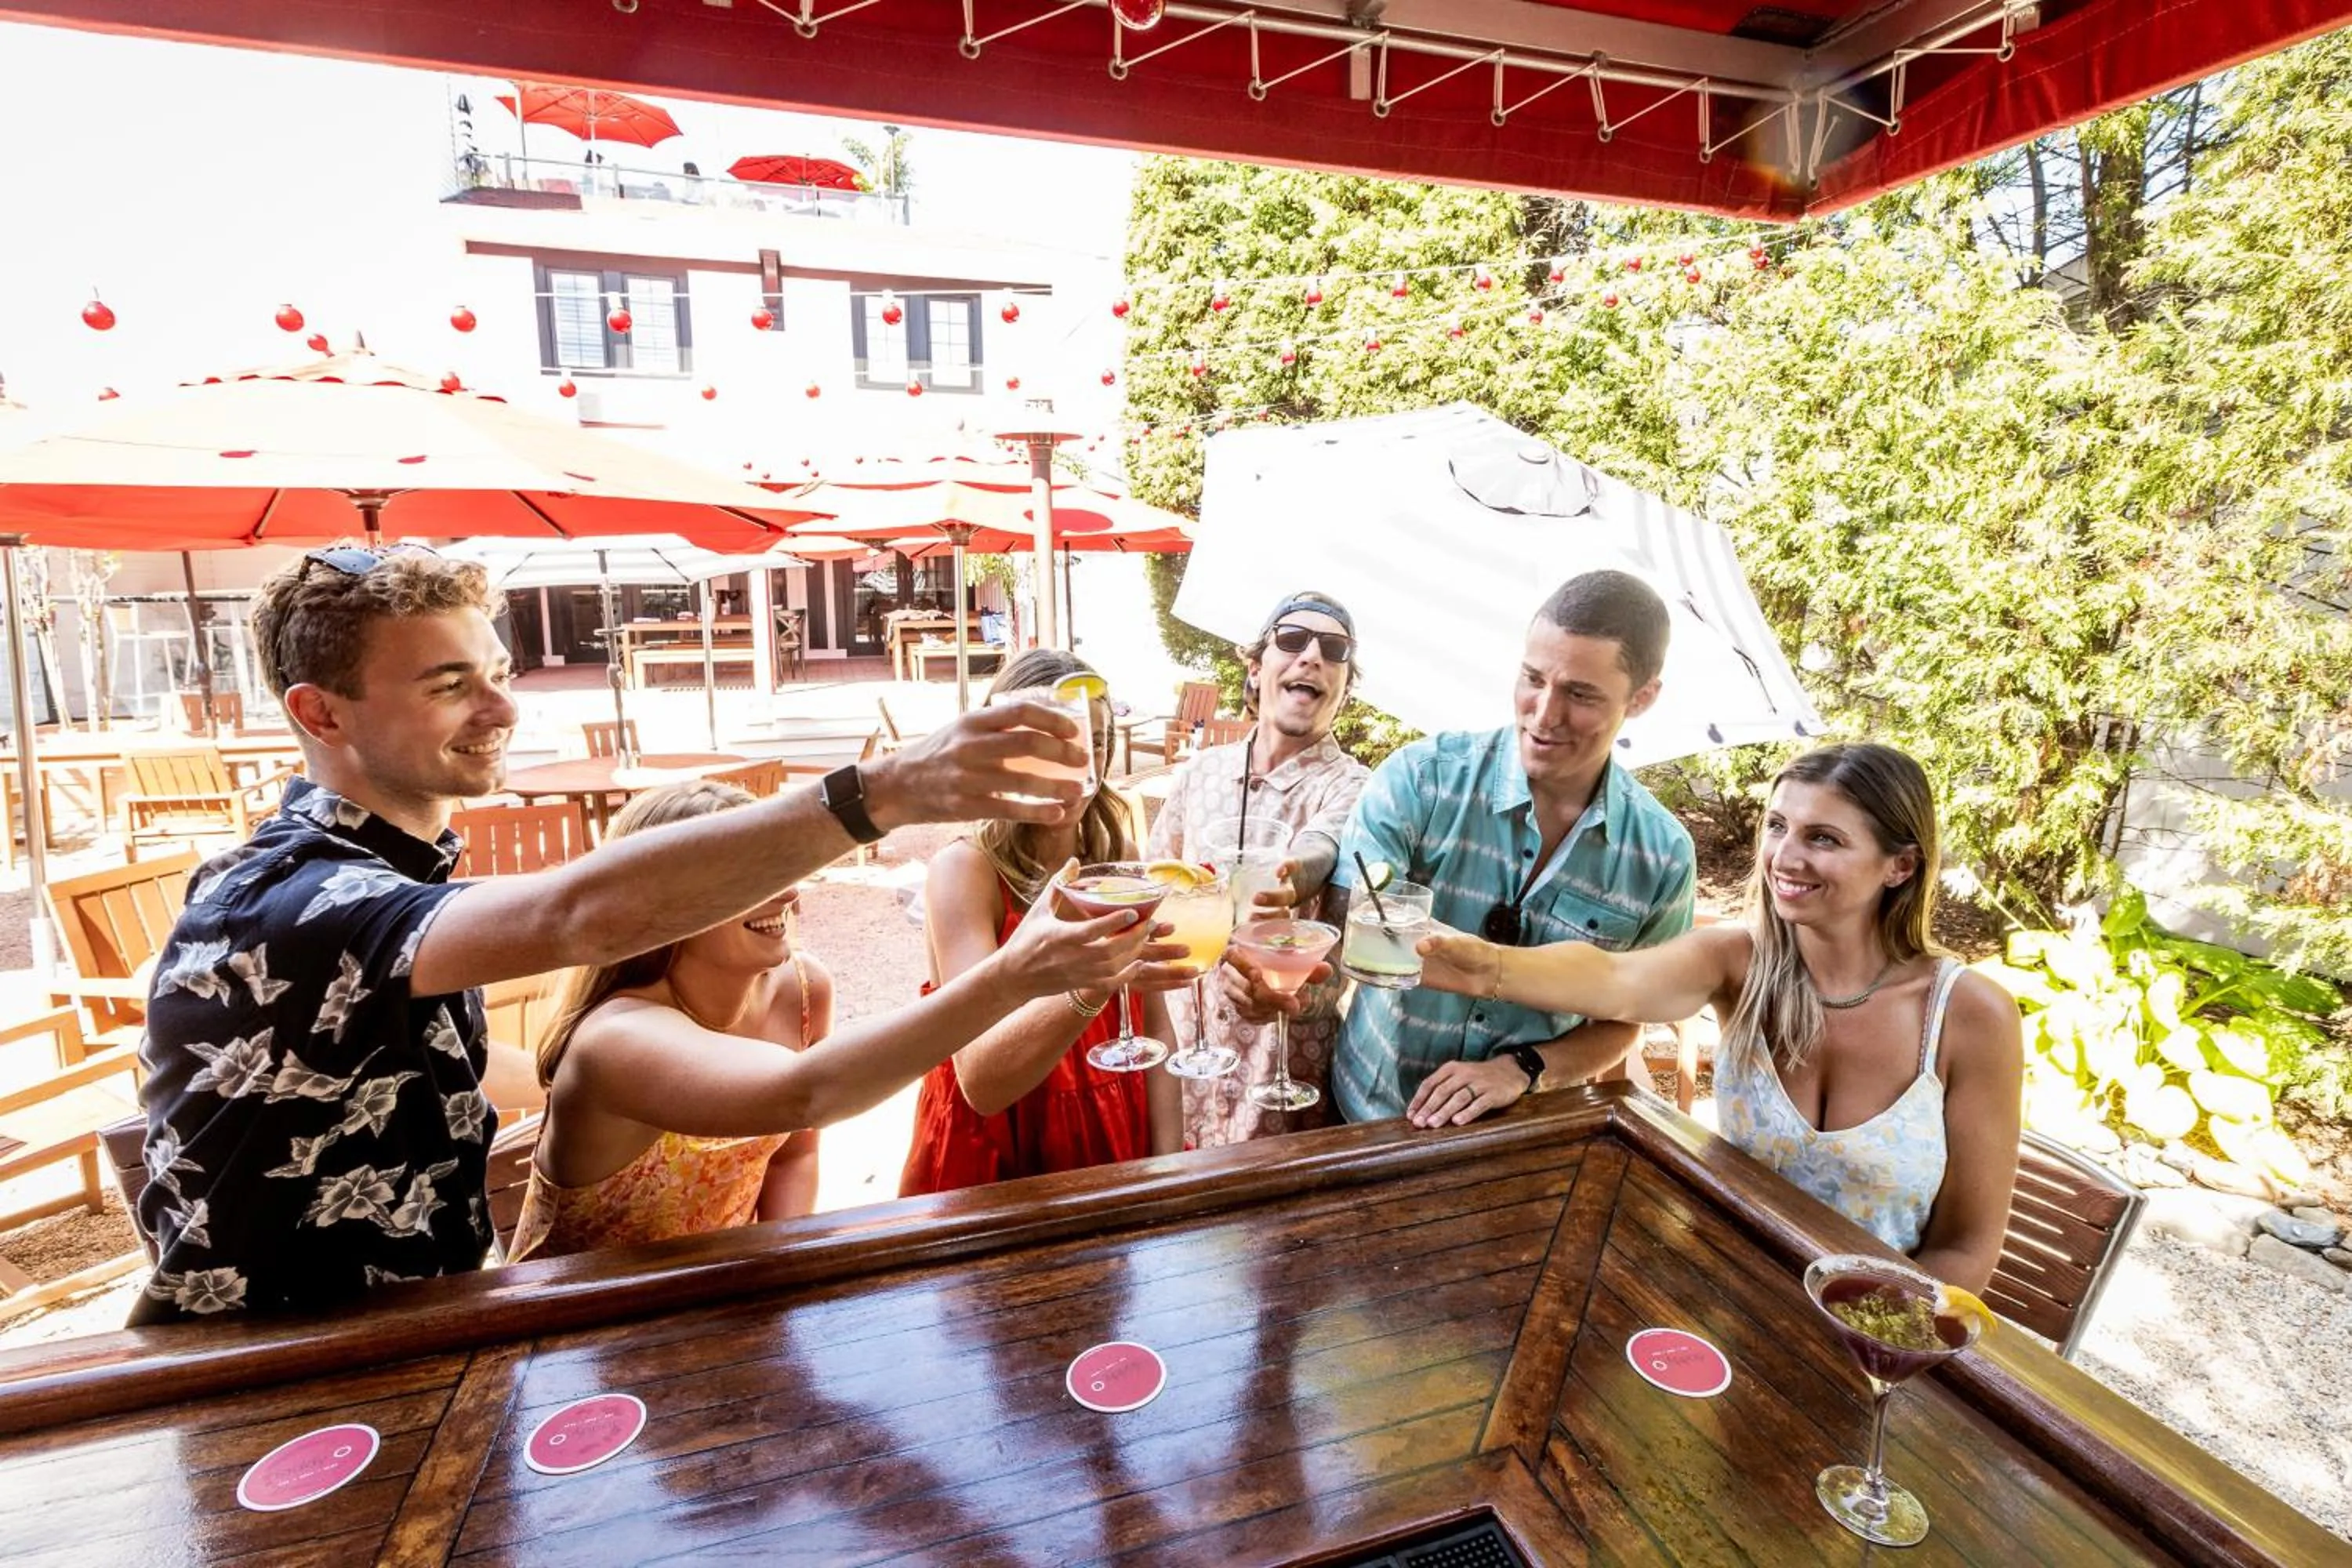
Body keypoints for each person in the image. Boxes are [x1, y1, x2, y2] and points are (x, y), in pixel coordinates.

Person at [132, 541, 1095, 1324]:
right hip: (257, 1363)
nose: (505, 709)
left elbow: (407, 1069)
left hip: (420, 1329)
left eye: (500, 673)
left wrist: (567, 1083)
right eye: (450, 683)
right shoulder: (291, 893)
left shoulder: (392, 878)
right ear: (318, 711)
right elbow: (577, 914)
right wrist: (889, 791)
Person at [1415, 744, 2024, 1291]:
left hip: (1872, 1339)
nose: (1784, 857)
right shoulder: (1738, 963)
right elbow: (1613, 980)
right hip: (1722, 1295)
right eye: (1778, 827)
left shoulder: (1969, 1015)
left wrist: (1870, 1342)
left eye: (1824, 839)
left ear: (1901, 866)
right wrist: (1479, 966)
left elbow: (1964, 1249)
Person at [509, 780, 1163, 1260]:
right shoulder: (615, 1040)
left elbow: (794, 1156)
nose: (789, 891)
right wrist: (1019, 973)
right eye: (747, 876)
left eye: (782, 868)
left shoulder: (799, 987)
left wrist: (779, 1277)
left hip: (721, 1295)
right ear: (660, 903)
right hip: (575, 1332)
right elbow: (805, 1092)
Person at [1232, 570, 1696, 1128]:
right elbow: (1346, 951)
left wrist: (1525, 1067)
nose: (1544, 714)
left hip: (1519, 1140)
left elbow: (1625, 1020)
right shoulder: (1421, 779)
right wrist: (1287, 997)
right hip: (1368, 1118)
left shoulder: (1664, 858)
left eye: (1580, 694)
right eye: (1532, 678)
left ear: (1643, 698)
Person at [901, 650, 1194, 1195]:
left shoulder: (1116, 851)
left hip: (1111, 1119)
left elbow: (1154, 1026)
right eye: (1061, 742)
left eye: (1098, 741)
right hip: (998, 1149)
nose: (1084, 762)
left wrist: (1167, 1172)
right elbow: (982, 1082)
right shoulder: (965, 871)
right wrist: (1092, 983)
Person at [1144, 591, 1369, 1144]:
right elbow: (1155, 894)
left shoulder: (1358, 791)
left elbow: (1352, 956)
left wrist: (1296, 996)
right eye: (1291, 640)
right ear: (1255, 665)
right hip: (1182, 1086)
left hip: (1286, 1096)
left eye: (1334, 649)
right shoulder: (1200, 775)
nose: (1312, 656)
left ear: (1344, 683)